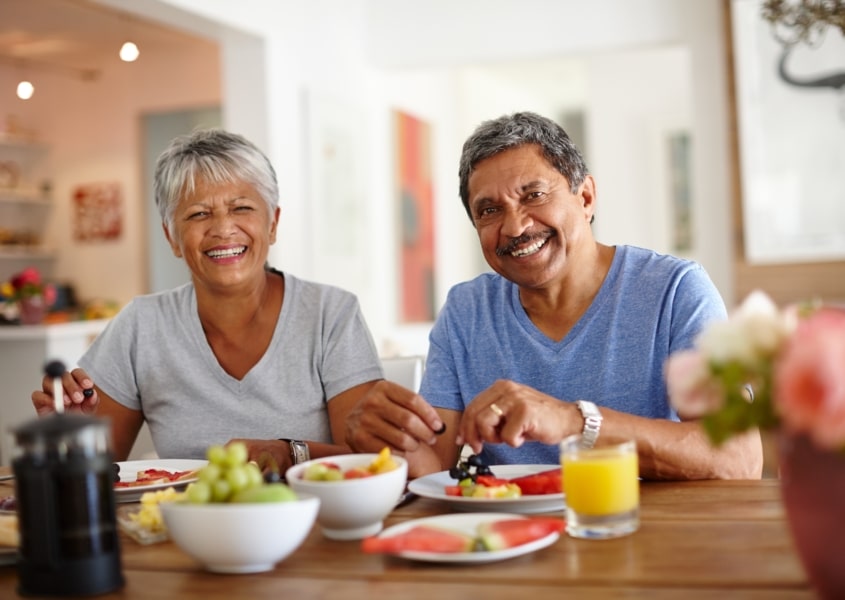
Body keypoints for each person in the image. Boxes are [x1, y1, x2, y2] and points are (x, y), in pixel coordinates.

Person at [346, 111, 763, 480]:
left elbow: (738, 457)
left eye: (533, 195)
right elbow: (433, 467)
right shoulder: (466, 310)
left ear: (585, 197)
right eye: (489, 210)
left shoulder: (676, 291)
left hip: (644, 537)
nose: (514, 228)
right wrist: (385, 439)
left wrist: (573, 421)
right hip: (511, 546)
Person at [32, 129, 383, 473]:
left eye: (242, 208)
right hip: (183, 527)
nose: (223, 229)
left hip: (312, 524)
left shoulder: (331, 315)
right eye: (199, 213)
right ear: (171, 236)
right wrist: (72, 434)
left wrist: (289, 453)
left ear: (272, 223)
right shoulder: (141, 325)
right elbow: (92, 472)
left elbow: (372, 462)